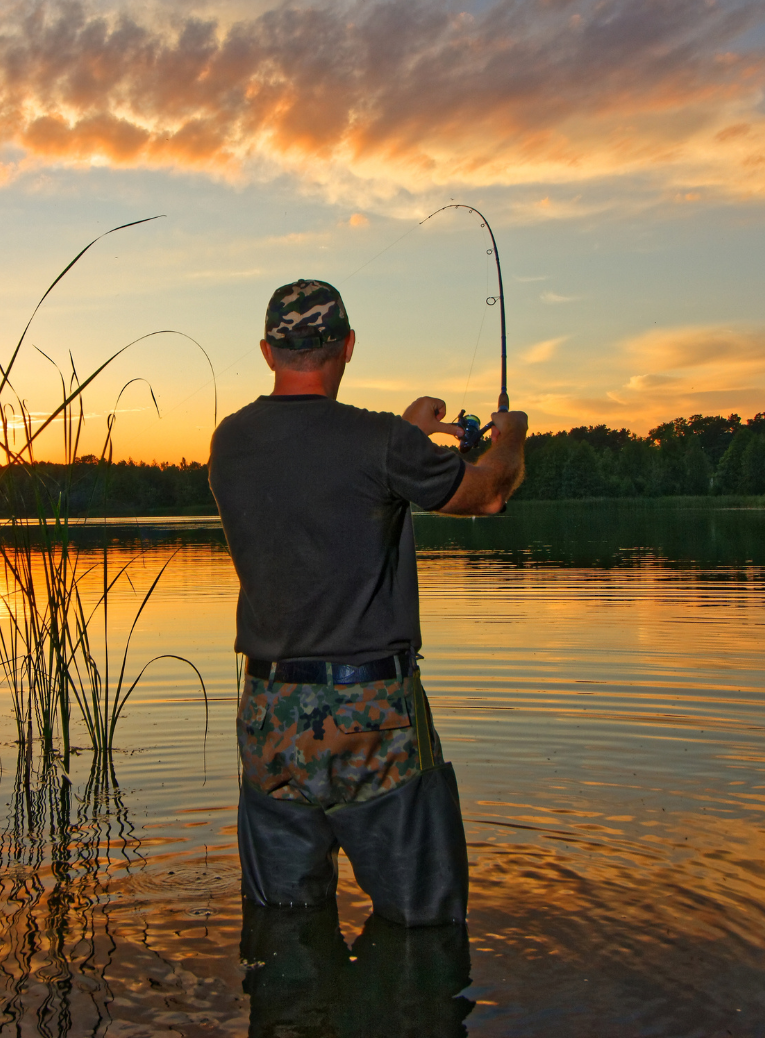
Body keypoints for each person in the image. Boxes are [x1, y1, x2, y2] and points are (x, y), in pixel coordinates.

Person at [208, 279, 527, 928]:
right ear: (347, 347)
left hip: (270, 713)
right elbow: (489, 492)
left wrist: (405, 438)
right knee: (423, 925)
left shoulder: (231, 442)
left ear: (269, 352)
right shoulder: (379, 443)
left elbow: (323, 477)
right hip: (370, 714)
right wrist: (510, 436)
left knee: (284, 930)